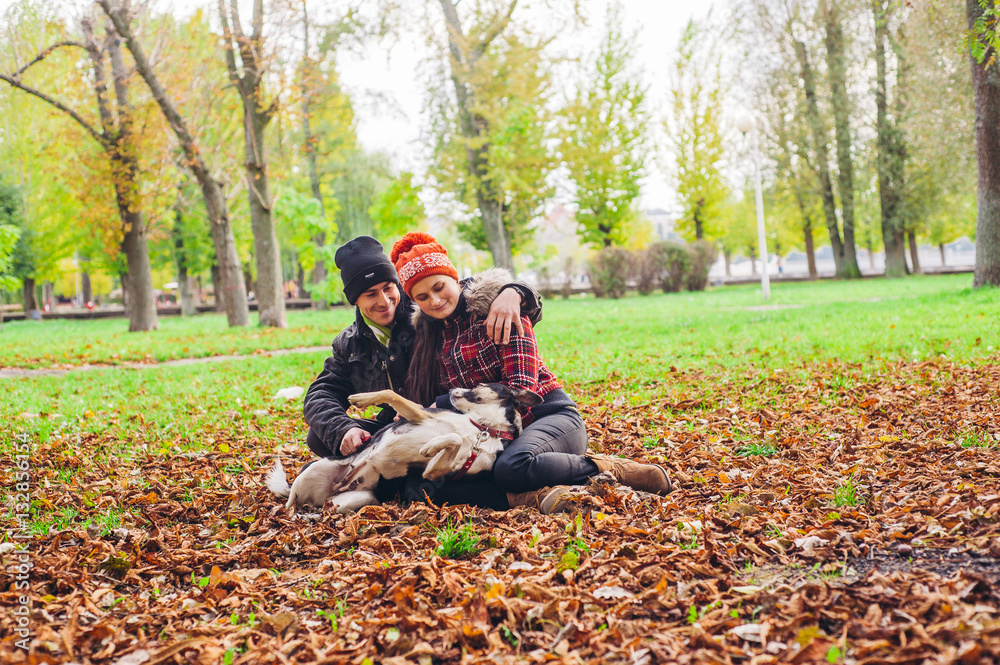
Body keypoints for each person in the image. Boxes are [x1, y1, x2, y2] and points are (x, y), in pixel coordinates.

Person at [391, 232, 673, 514]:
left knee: (510, 468)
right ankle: (538, 496)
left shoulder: (498, 309)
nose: (436, 300)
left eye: (440, 287)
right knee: (421, 486)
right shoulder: (430, 338)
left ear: (455, 278)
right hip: (489, 436)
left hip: (546, 417)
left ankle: (612, 469)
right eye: (423, 296)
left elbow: (519, 392)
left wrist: (441, 405)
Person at [303, 235, 539, 463]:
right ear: (355, 300)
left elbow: (464, 292)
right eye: (370, 294)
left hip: (443, 417)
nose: (384, 301)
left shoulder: (426, 312)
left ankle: (395, 476)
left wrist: (515, 291)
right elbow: (321, 393)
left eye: (388, 288)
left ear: (398, 285)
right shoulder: (350, 343)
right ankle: (384, 469)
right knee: (319, 437)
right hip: (396, 424)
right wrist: (344, 429)